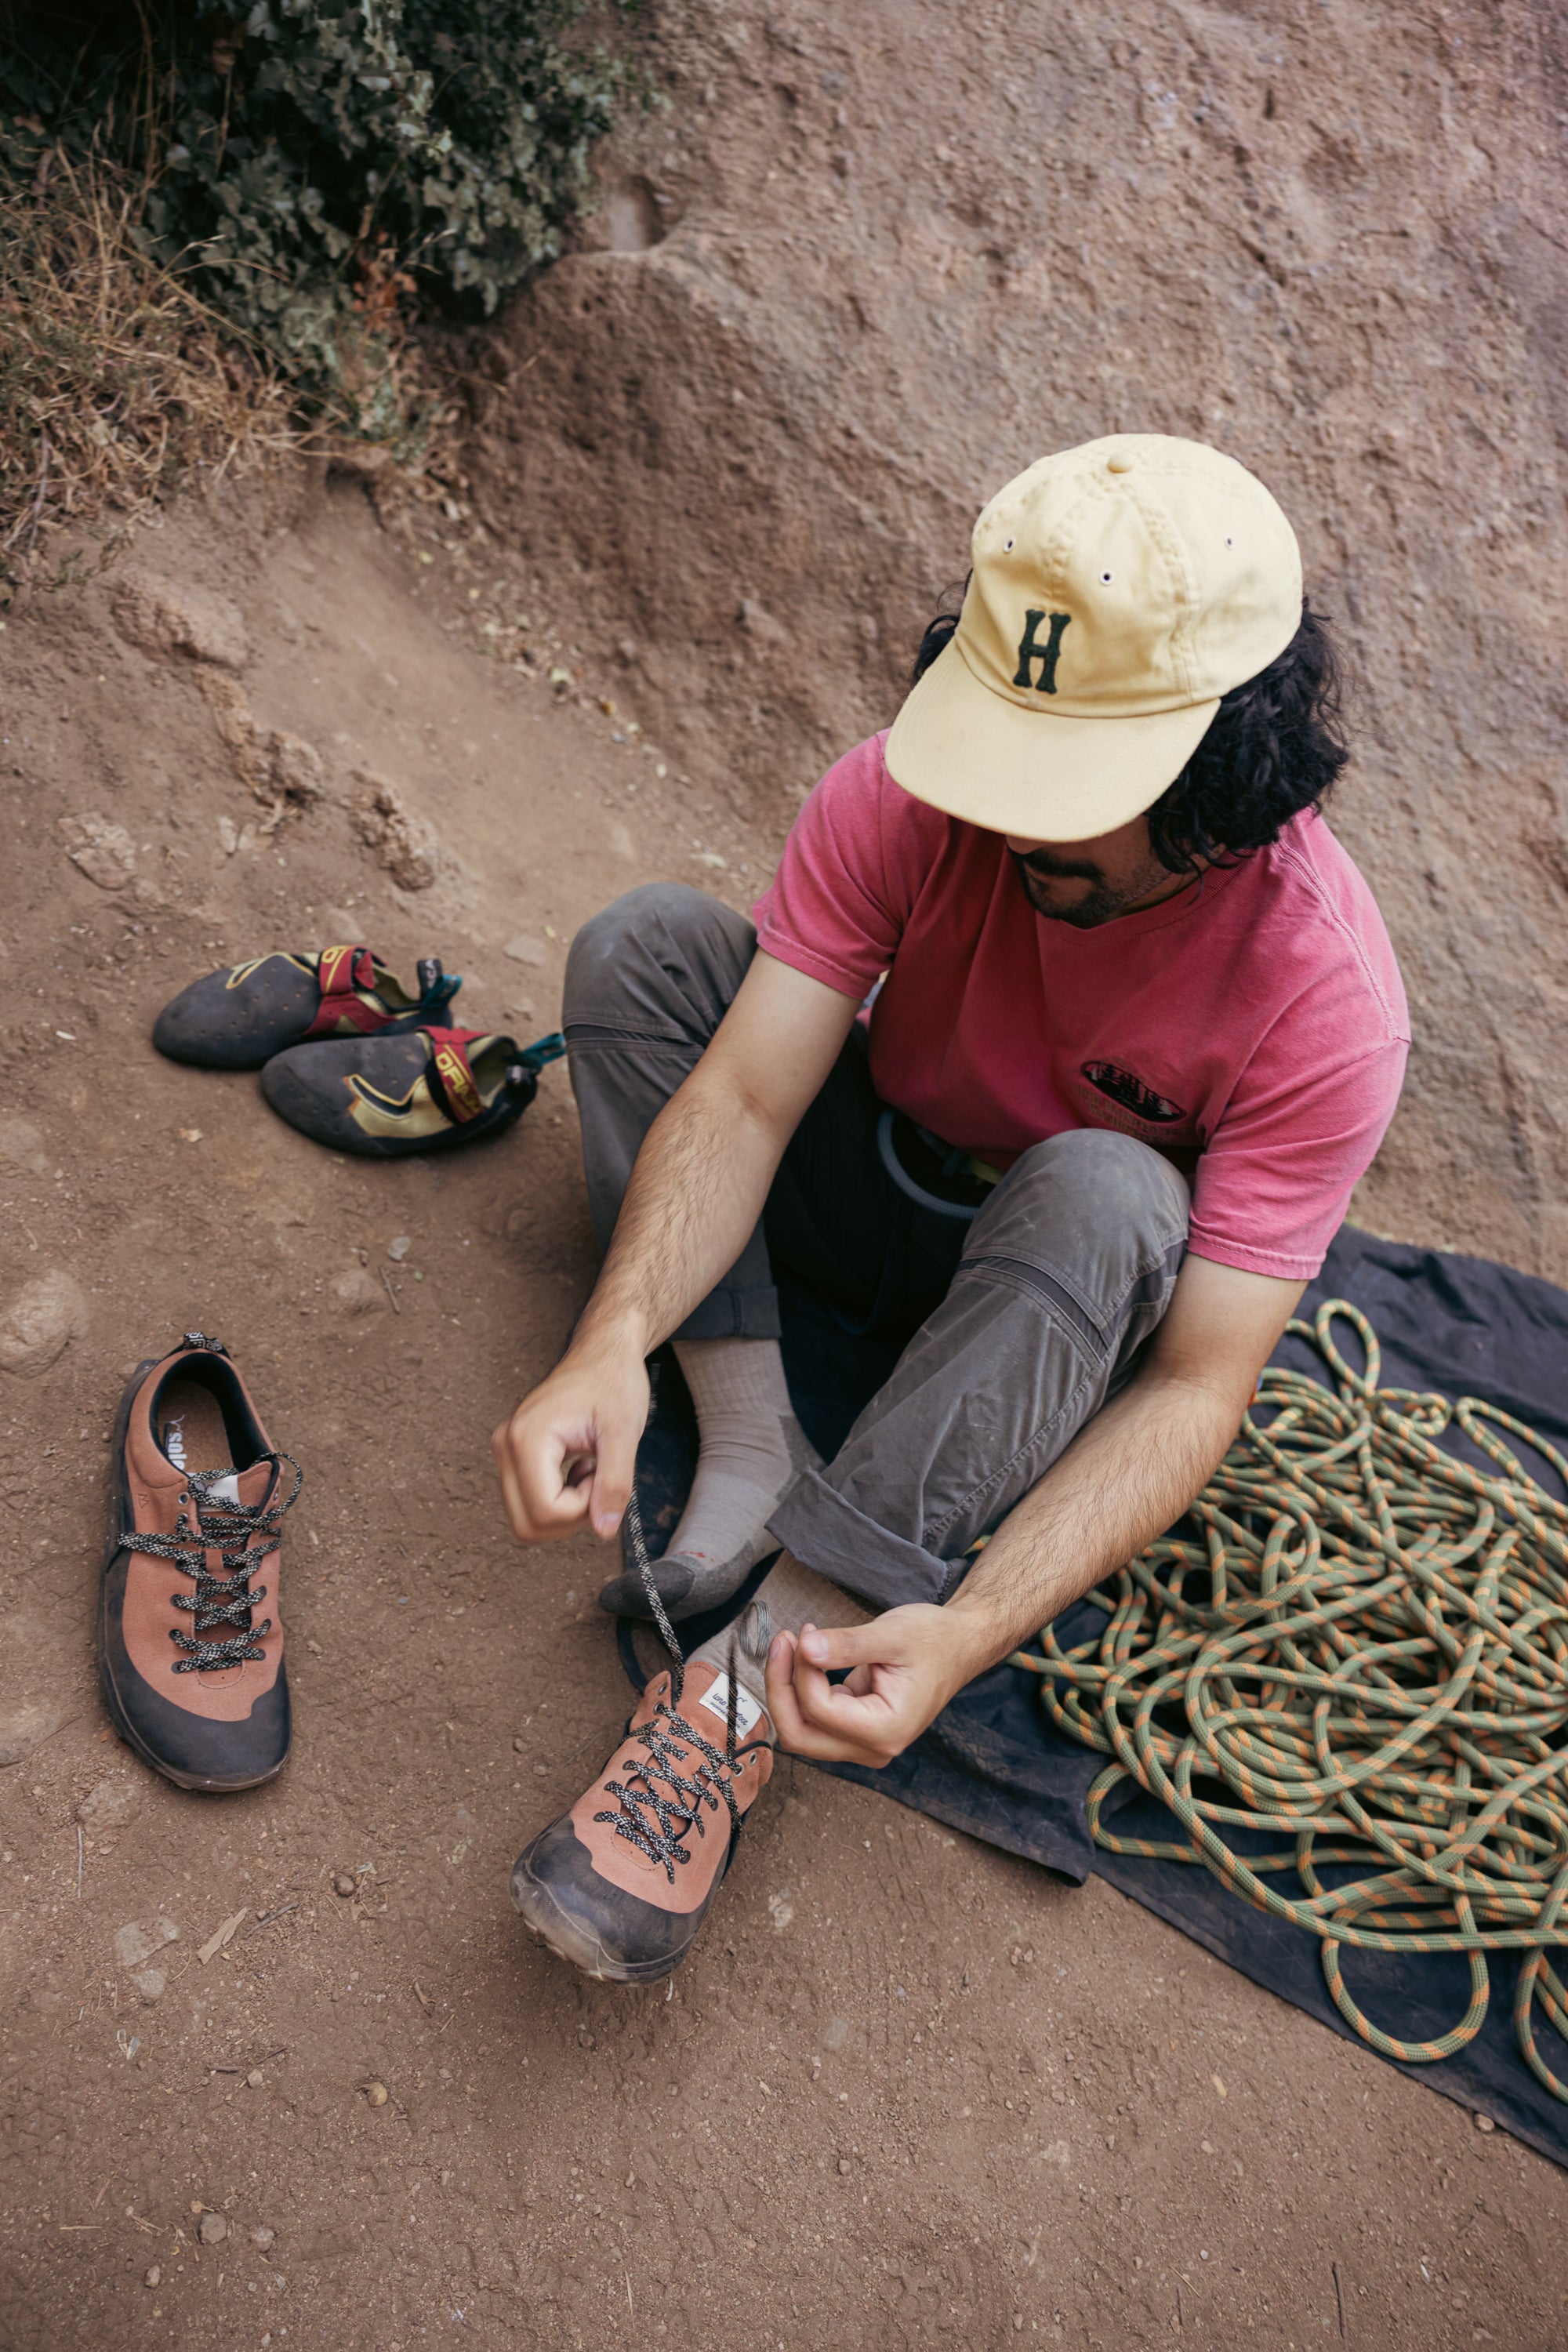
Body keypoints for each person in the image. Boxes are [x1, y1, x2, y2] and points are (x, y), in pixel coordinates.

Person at [493, 433, 1410, 1985]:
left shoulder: (1324, 999)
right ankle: (752, 1442)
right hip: (882, 1177)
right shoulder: (912, 795)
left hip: (1048, 1313)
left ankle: (751, 1673)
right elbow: (748, 1095)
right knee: (646, 952)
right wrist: (612, 1336)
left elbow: (1197, 1387)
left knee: (1113, 1189)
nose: (1019, 823)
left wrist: (969, 1631)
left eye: (1075, 788)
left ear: (1225, 772)